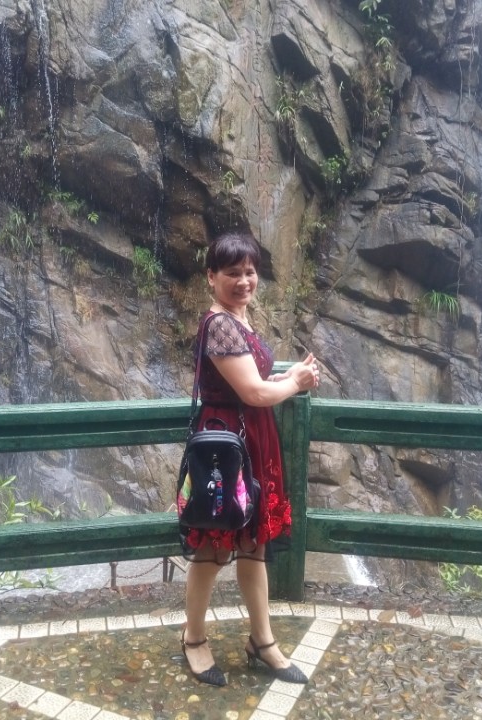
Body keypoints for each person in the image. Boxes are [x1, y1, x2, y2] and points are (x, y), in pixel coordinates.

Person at [180, 231, 320, 687]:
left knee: (253, 543)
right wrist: (295, 383)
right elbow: (253, 393)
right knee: (215, 544)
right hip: (226, 448)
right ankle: (193, 639)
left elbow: (255, 382)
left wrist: (286, 376)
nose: (244, 281)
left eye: (250, 272)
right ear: (211, 277)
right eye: (232, 273)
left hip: (249, 441)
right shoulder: (220, 324)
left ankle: (262, 640)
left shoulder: (239, 319)